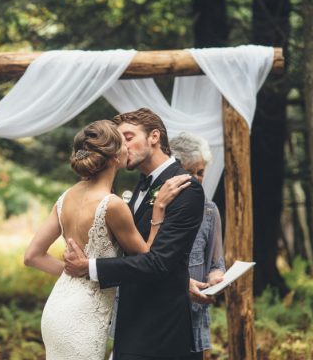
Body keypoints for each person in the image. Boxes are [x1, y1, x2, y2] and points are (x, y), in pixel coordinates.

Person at [24, 120, 191, 360]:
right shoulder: (112, 204)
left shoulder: (66, 197)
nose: (128, 149)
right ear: (113, 157)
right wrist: (159, 211)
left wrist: (77, 272)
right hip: (84, 316)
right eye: (124, 144)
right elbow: (147, 258)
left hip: (57, 308)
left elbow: (32, 256)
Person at [64, 108, 207, 360]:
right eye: (118, 141)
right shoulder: (141, 185)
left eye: (128, 137)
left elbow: (159, 262)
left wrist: (89, 267)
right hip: (130, 317)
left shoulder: (185, 186)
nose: (122, 147)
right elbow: (142, 250)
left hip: (160, 327)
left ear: (154, 136)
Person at [170, 132, 226, 360]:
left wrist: (216, 276)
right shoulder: (156, 208)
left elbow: (217, 262)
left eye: (200, 173)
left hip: (194, 316)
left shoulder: (210, 210)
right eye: (189, 172)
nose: (195, 178)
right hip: (162, 312)